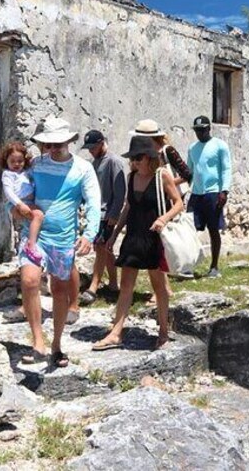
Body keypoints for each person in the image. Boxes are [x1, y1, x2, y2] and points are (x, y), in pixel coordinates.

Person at [18, 117, 101, 369]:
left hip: (63, 238)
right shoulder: (35, 166)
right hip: (34, 235)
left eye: (58, 144)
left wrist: (89, 234)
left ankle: (56, 344)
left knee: (60, 290)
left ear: (69, 142)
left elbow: (94, 203)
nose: (53, 149)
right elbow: (21, 192)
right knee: (29, 281)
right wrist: (19, 208)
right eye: (48, 145)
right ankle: (37, 341)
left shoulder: (83, 169)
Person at [92, 136, 183, 351]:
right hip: (134, 235)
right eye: (132, 158)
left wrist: (163, 219)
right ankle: (116, 333)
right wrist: (114, 235)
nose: (135, 162)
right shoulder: (132, 177)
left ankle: (163, 332)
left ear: (150, 157)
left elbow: (179, 203)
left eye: (138, 157)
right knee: (126, 287)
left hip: (154, 238)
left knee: (159, 287)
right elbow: (127, 208)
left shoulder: (162, 176)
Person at [131, 118, 194, 283]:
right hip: (153, 199)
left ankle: (177, 270)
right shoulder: (140, 154)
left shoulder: (167, 151)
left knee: (165, 239)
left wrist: (165, 185)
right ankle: (164, 284)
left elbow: (187, 173)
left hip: (168, 199)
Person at [79, 130, 126, 306]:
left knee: (99, 248)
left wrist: (114, 214)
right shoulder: (94, 163)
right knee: (105, 249)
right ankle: (113, 285)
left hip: (107, 214)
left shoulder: (114, 162)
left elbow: (120, 191)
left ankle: (93, 287)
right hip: (95, 213)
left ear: (101, 143)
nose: (91, 151)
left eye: (93, 147)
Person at [187, 116, 232, 278]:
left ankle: (214, 266)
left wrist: (224, 191)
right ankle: (187, 264)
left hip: (214, 193)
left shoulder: (220, 146)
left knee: (213, 230)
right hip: (196, 194)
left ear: (209, 129)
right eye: (197, 130)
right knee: (190, 229)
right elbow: (189, 172)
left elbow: (226, 169)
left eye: (202, 130)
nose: (199, 133)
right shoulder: (192, 148)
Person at [0, 141, 45, 265]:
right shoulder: (8, 174)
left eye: (20, 161)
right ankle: (31, 245)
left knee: (34, 220)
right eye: (12, 161)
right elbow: (8, 192)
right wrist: (19, 204)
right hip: (19, 203)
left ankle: (30, 242)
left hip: (28, 202)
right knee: (39, 215)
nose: (16, 164)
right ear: (6, 161)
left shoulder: (26, 172)